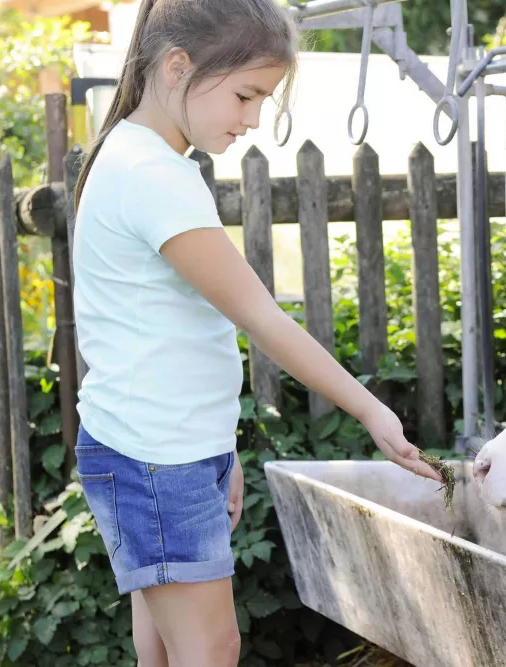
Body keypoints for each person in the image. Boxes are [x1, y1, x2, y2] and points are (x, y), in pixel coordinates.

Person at [70, 0, 443, 664]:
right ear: (177, 67)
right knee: (211, 648)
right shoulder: (152, 174)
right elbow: (260, 317)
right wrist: (370, 409)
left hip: (161, 445)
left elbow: (172, 330)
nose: (252, 119)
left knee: (162, 647)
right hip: (159, 457)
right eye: (246, 95)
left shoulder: (140, 156)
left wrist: (221, 446)